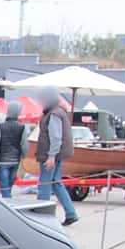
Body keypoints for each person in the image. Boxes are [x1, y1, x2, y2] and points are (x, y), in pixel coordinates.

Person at [33, 89, 79, 226]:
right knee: (56, 183)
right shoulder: (60, 112)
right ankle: (71, 212)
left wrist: (51, 156)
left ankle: (42, 216)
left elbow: (56, 137)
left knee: (45, 184)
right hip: (58, 154)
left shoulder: (53, 114)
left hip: (51, 155)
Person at [0, 100, 26, 198]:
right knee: (9, 185)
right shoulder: (22, 127)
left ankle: (7, 204)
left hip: (2, 160)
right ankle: (8, 201)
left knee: (4, 187)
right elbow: (24, 144)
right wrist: (23, 155)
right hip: (15, 160)